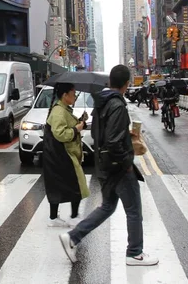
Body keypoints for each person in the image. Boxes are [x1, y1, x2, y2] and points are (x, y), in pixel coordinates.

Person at [59, 65, 158, 266]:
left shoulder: (101, 104)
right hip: (118, 167)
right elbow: (112, 140)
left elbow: (98, 135)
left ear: (110, 82)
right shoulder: (117, 105)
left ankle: (73, 236)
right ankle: (135, 253)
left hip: (103, 165)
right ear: (126, 84)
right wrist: (126, 163)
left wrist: (124, 135)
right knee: (134, 210)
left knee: (107, 207)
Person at [43, 83, 90, 227]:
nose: (75, 96)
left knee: (58, 185)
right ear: (65, 95)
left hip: (59, 154)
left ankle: (53, 218)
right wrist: (77, 128)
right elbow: (61, 133)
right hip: (63, 154)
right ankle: (74, 216)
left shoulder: (63, 110)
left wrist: (81, 122)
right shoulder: (59, 111)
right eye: (73, 93)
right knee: (77, 183)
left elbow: (66, 127)